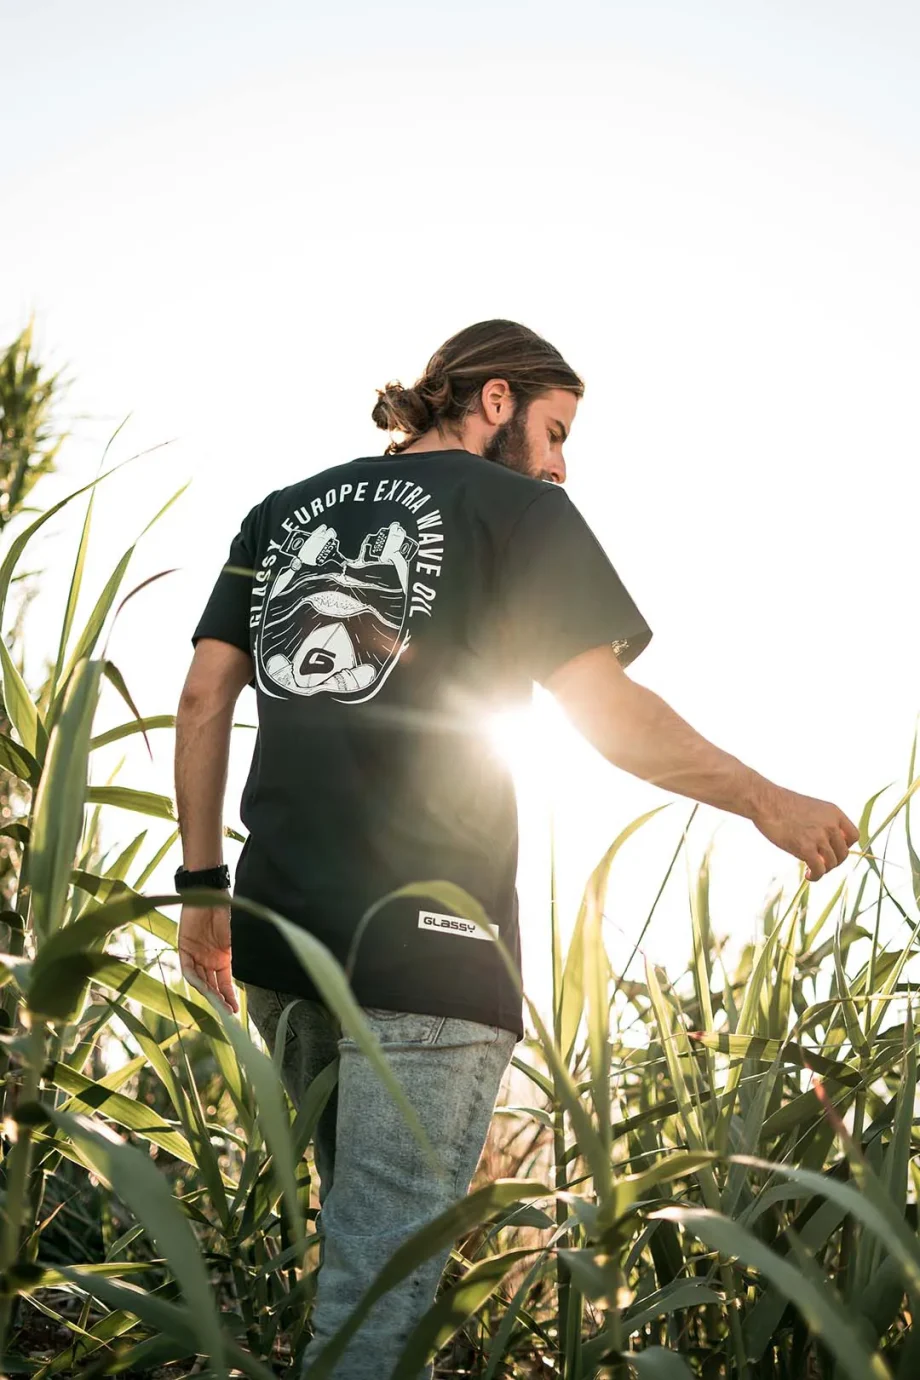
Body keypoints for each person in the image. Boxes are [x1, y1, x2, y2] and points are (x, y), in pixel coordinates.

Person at [174, 319, 860, 1378]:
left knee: (351, 1254)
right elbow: (602, 711)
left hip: (280, 936)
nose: (559, 462)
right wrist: (762, 799)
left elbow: (202, 696)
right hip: (432, 942)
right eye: (554, 428)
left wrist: (201, 888)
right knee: (375, 1291)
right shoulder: (521, 510)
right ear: (493, 399)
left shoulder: (281, 510)